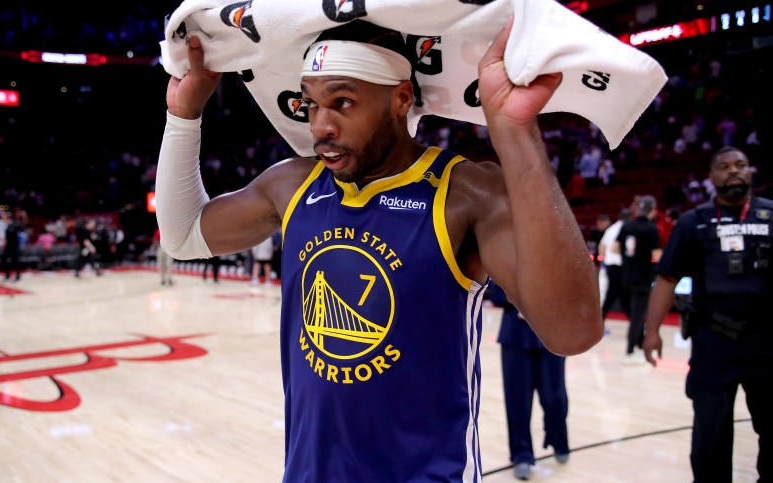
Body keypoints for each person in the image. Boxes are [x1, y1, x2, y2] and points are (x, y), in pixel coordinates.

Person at [155, 19, 602, 481]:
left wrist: (515, 130)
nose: (320, 126)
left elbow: (572, 332)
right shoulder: (293, 183)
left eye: (342, 102)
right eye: (310, 105)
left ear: (401, 99)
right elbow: (183, 234)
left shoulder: (466, 192)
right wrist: (183, 115)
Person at [643, 147, 770, 483]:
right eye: (724, 166)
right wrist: (651, 330)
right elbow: (667, 277)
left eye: (740, 165)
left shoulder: (770, 215)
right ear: (711, 178)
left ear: (750, 172)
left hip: (766, 343)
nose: (734, 171)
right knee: (710, 436)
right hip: (714, 341)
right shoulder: (693, 222)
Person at [489, 283, 569, 481]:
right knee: (517, 401)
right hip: (515, 336)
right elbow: (497, 296)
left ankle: (558, 439)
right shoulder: (504, 256)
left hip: (552, 333)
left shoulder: (557, 255)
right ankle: (521, 455)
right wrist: (528, 296)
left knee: (555, 396)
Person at [613, 195, 661, 364]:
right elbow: (656, 256)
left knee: (635, 315)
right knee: (638, 317)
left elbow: (615, 247)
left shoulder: (627, 226)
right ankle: (630, 351)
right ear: (653, 210)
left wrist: (628, 261)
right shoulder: (651, 229)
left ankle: (639, 346)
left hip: (625, 277)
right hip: (643, 278)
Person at [598, 208, 632, 322]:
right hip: (620, 267)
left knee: (613, 296)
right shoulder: (626, 228)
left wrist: (605, 260)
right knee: (620, 296)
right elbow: (616, 248)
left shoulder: (611, 229)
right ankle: (637, 326)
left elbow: (601, 247)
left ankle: (636, 325)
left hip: (610, 266)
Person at [2, 212, 23, 281]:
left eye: (4, 218)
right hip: (9, 247)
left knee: (15, 261)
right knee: (5, 260)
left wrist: (6, 243)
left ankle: (17, 276)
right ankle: (7, 275)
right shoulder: (7, 226)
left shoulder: (14, 225)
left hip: (13, 247)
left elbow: (12, 237)